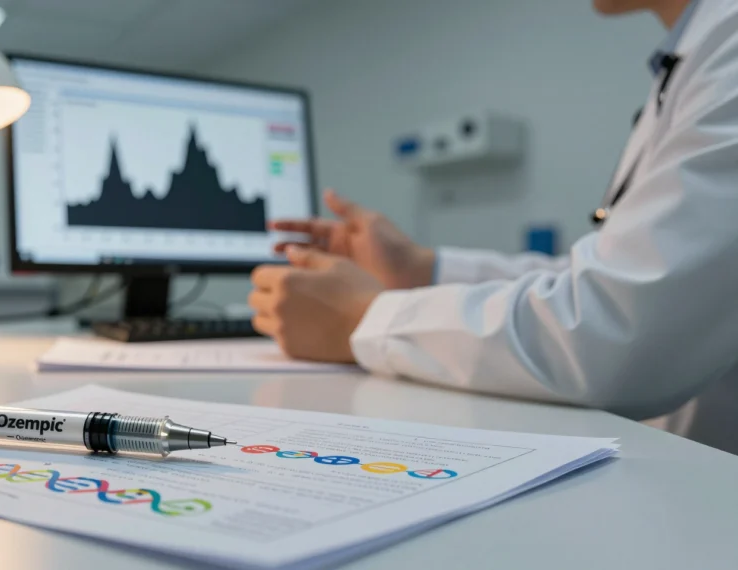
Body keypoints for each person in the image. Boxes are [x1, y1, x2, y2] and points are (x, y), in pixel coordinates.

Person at [248, 0, 738, 452]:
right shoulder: (695, 56)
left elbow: (620, 332)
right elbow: (602, 282)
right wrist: (421, 269)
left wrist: (361, 318)